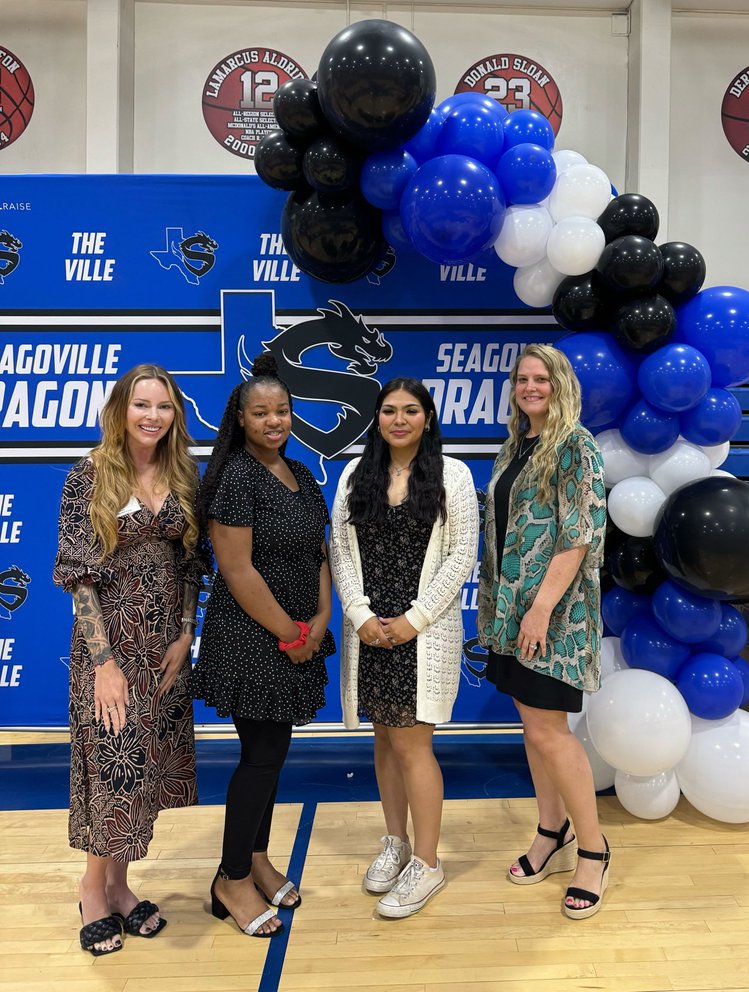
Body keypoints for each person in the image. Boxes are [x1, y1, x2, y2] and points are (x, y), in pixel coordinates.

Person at [54, 364, 205, 956]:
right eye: (141, 404)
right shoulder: (88, 477)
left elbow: (193, 565)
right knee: (112, 767)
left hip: (163, 650)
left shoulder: (184, 475)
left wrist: (183, 637)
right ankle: (92, 889)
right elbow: (79, 578)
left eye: (163, 407)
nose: (152, 416)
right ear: (120, 410)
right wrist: (104, 664)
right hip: (109, 651)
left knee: (144, 772)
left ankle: (120, 886)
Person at [192, 353, 335, 938]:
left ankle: (256, 859)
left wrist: (321, 619)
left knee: (272, 757)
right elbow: (238, 570)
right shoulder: (235, 479)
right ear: (242, 419)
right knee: (259, 759)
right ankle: (229, 879)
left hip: (299, 636)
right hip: (254, 639)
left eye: (282, 410)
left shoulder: (300, 475)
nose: (274, 420)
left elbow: (317, 553)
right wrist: (291, 632)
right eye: (261, 413)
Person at [330, 378, 479, 918]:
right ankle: (395, 842)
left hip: (422, 634)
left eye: (410, 410)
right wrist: (363, 617)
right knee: (385, 742)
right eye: (389, 410)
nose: (399, 419)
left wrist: (413, 621)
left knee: (414, 746)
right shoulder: (354, 475)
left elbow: (461, 555)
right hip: (371, 634)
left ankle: (428, 863)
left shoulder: (453, 476)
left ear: (427, 418)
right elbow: (340, 554)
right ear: (377, 418)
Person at [477, 343, 608, 921]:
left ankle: (595, 850)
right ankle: (550, 831)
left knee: (552, 732)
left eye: (542, 379)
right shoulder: (515, 448)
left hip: (553, 616)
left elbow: (578, 535)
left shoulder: (576, 447)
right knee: (534, 729)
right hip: (511, 612)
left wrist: (542, 609)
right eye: (522, 379)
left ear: (561, 386)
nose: (531, 387)